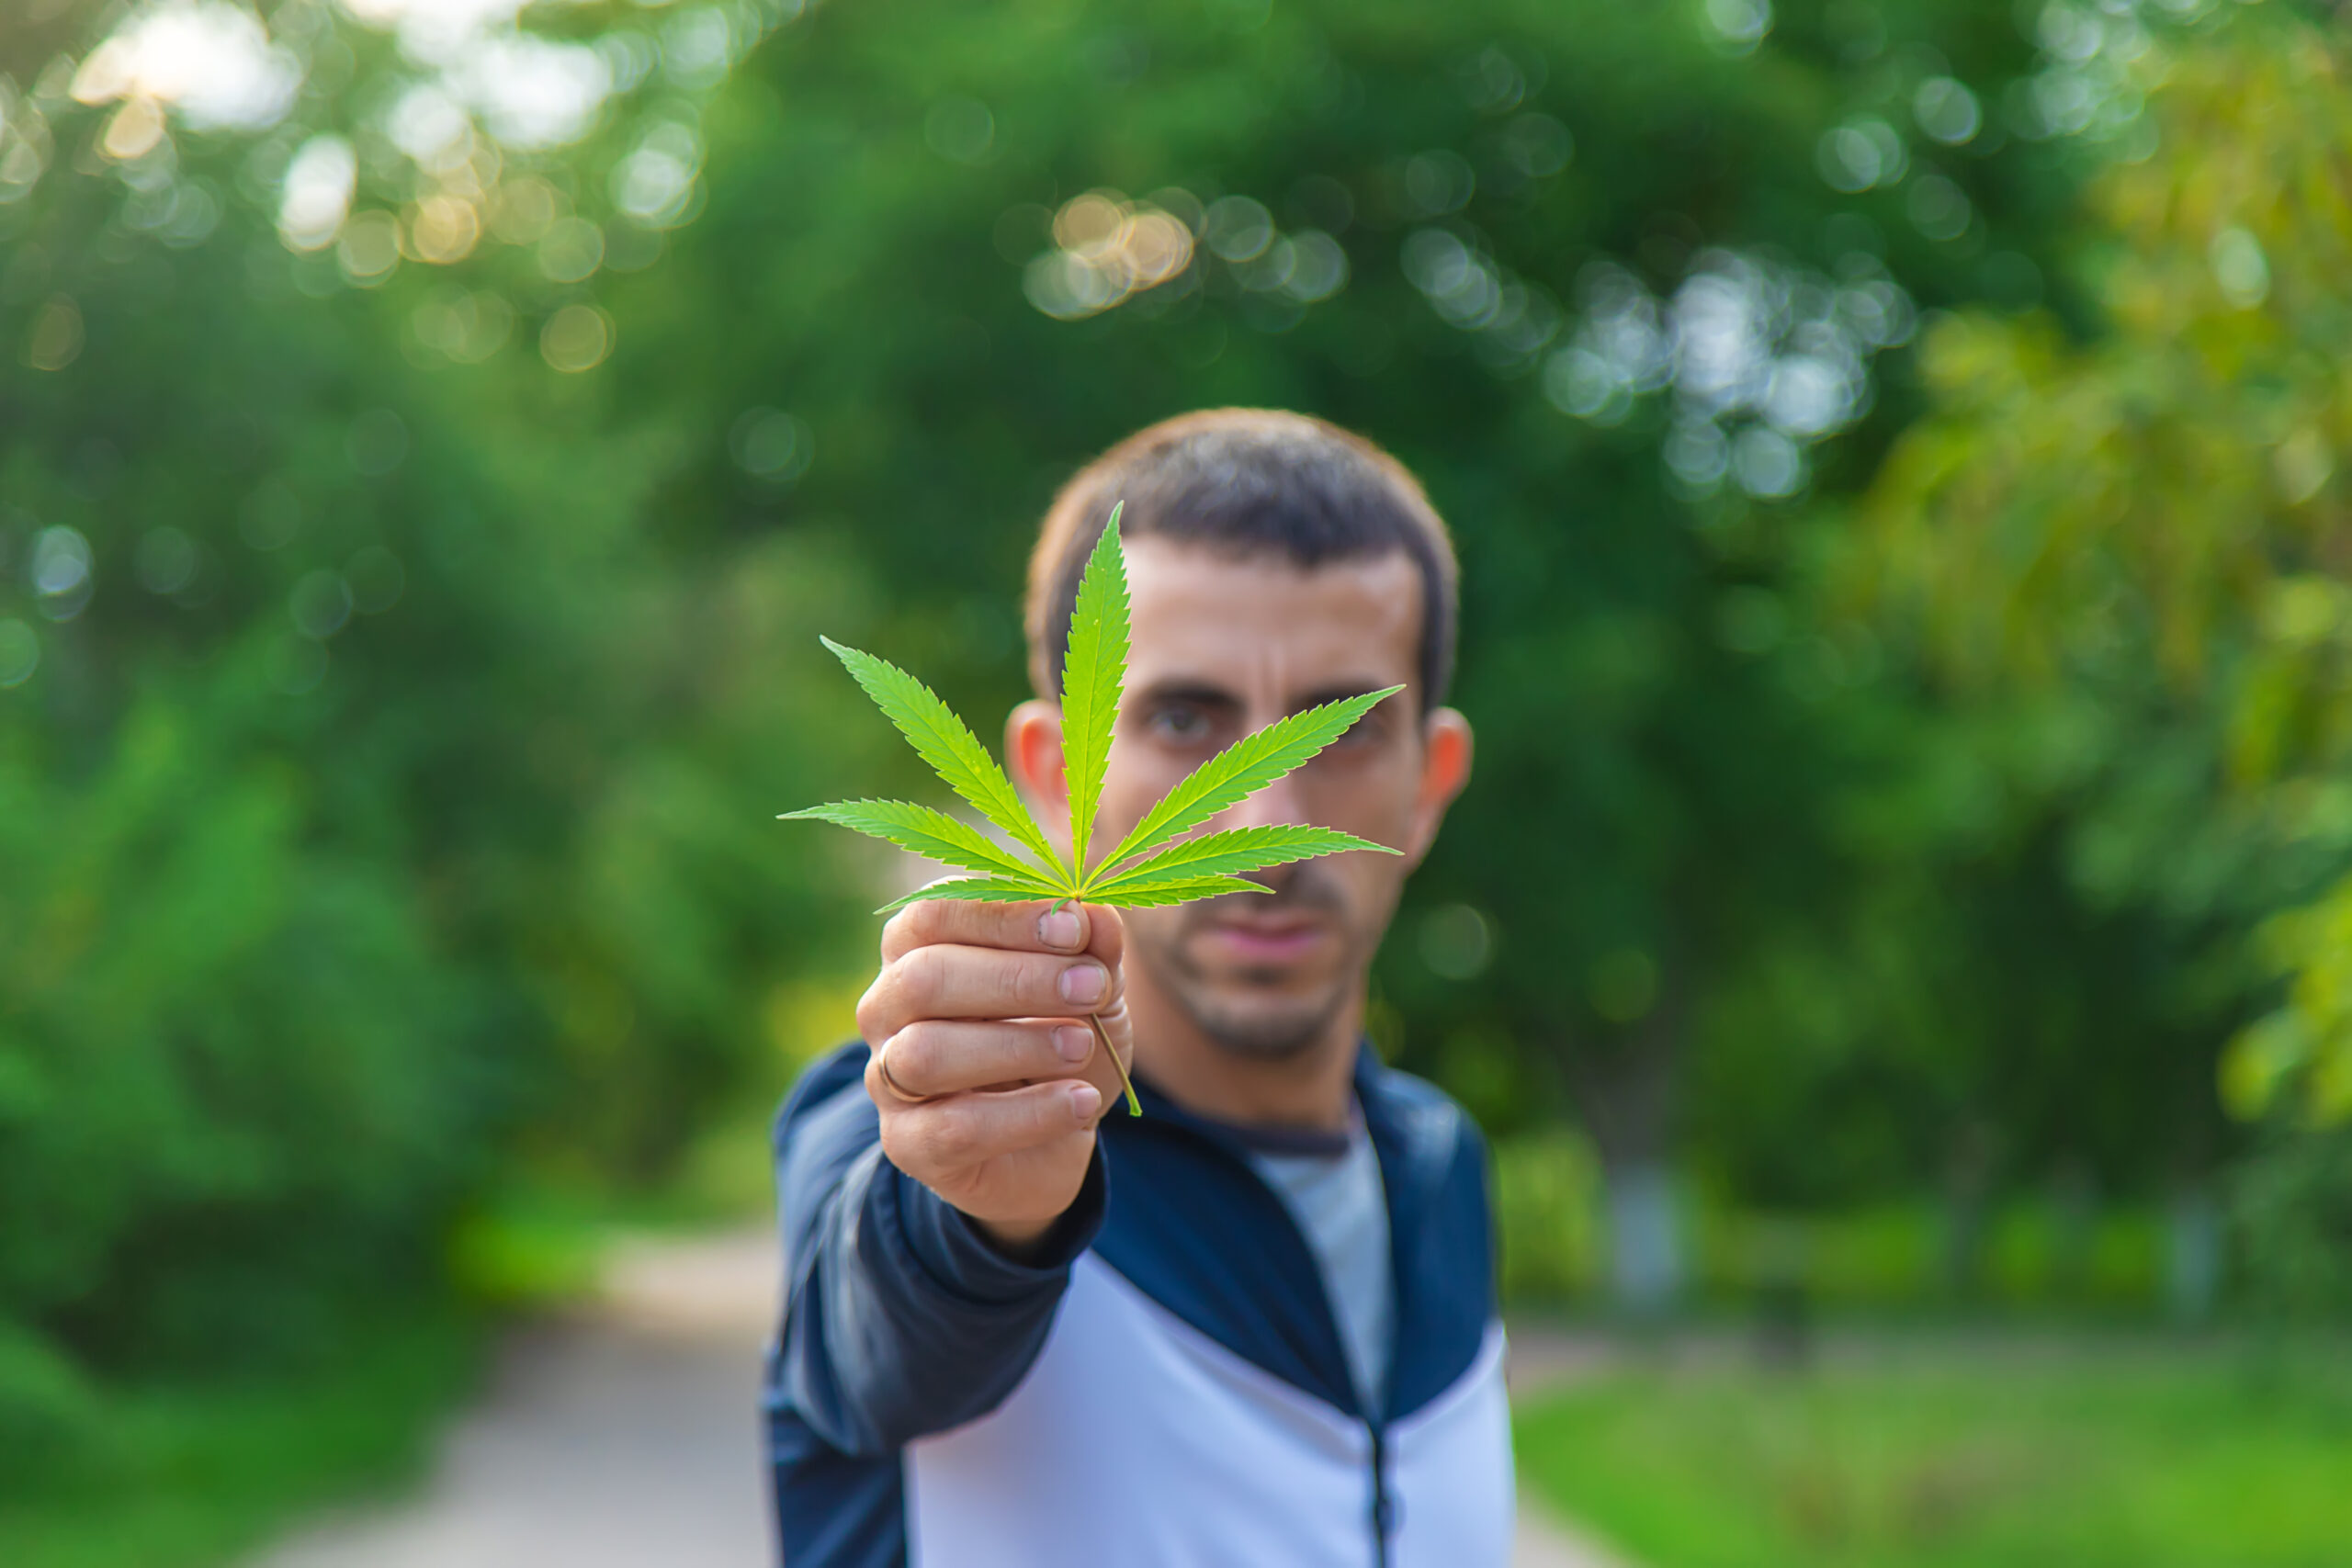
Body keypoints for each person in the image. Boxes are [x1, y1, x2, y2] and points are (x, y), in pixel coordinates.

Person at [764, 409, 1507, 1566]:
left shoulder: (1439, 1169)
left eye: (1341, 729)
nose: (1266, 828)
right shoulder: (910, 1138)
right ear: (1053, 777)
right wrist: (993, 1210)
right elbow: (873, 1330)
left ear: (1430, 783)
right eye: (1180, 719)